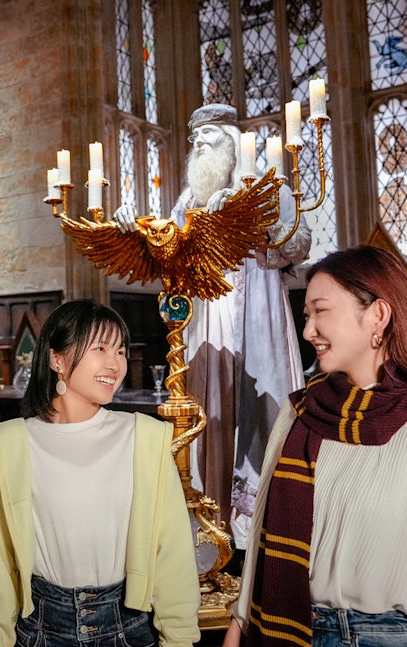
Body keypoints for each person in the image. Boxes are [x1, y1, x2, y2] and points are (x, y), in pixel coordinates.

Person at [220, 245, 407, 647]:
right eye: (306, 315)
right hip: (286, 632)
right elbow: (261, 538)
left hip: (382, 641)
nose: (308, 330)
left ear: (377, 315)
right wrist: (237, 629)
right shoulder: (298, 415)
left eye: (320, 311)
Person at [112, 102, 311, 550]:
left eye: (209, 140)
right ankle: (211, 532)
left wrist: (253, 218)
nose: (200, 147)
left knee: (262, 411)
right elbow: (168, 255)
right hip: (205, 322)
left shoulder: (267, 186)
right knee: (209, 414)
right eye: (195, 143)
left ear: (231, 145)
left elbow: (299, 241)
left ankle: (258, 537)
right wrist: (134, 229)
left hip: (256, 314)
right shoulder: (188, 203)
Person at [0, 299, 200, 647]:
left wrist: (180, 643)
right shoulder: (10, 444)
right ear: (57, 359)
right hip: (42, 632)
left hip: (129, 630)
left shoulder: (144, 438)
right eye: (100, 348)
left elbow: (174, 555)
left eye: (120, 350)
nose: (115, 363)